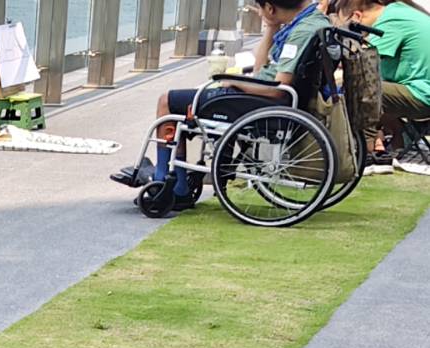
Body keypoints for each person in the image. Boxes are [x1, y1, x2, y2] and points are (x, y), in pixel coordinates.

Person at [112, 0, 332, 202]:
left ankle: (166, 183)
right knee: (185, 103)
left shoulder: (301, 32)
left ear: (270, 8)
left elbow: (278, 89)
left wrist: (233, 82)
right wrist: (271, 28)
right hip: (264, 98)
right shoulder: (313, 22)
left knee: (167, 101)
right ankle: (174, 182)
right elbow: (261, 71)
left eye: (261, 9)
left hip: (262, 102)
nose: (261, 14)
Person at [347, 0, 430, 162]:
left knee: (359, 89)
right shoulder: (402, 11)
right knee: (375, 88)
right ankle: (395, 143)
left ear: (357, 16)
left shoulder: (391, 18)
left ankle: (366, 150)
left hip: (423, 94)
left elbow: (363, 60)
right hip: (420, 89)